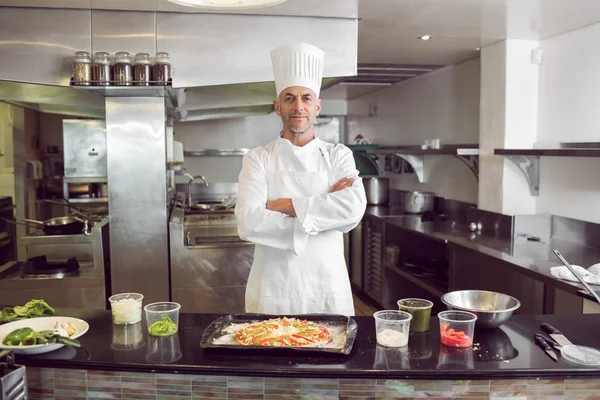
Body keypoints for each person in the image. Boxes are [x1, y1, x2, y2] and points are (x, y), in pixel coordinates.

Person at [235, 43, 367, 316]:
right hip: (273, 287)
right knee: (269, 354)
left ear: (317, 106)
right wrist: (324, 209)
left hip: (326, 286)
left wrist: (284, 205)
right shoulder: (258, 158)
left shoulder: (337, 155)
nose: (298, 106)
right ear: (277, 106)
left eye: (306, 98)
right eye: (289, 98)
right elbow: (248, 222)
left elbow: (352, 208)